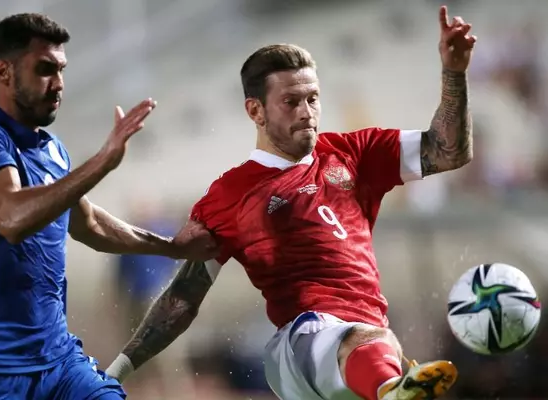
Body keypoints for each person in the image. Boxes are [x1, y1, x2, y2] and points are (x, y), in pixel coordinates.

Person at [106, 6, 475, 400]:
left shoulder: (355, 153)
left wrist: (454, 72)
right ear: (255, 110)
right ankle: (391, 390)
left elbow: (448, 151)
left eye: (313, 99)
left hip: (365, 351)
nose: (307, 113)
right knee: (367, 343)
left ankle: (389, 387)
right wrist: (115, 371)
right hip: (299, 346)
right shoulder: (229, 195)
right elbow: (182, 297)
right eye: (291, 102)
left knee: (375, 346)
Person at [0, 13, 216, 400]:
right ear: (3, 71)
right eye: (45, 69)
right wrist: (102, 161)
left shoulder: (53, 150)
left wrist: (171, 247)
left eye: (61, 69)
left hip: (60, 362)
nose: (58, 83)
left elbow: (90, 224)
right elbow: (10, 218)